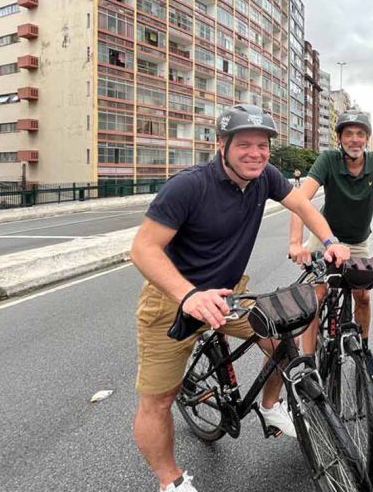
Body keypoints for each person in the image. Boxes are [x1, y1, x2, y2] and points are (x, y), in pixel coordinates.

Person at [130, 104, 350, 492]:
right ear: (221, 145)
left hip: (229, 295)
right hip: (173, 300)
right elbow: (143, 249)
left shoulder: (265, 178)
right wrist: (188, 295)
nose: (256, 153)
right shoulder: (189, 186)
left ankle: (269, 408)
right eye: (245, 144)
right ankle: (170, 480)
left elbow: (300, 202)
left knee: (282, 341)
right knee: (158, 400)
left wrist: (330, 241)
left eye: (263, 145)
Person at [289, 110, 373, 379]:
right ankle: (308, 362)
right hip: (325, 236)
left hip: (357, 241)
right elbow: (299, 201)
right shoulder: (328, 160)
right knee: (316, 297)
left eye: (360, 134)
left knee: (363, 295)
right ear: (340, 138)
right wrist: (296, 243)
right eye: (348, 134)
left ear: (367, 138)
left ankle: (363, 349)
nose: (354, 139)